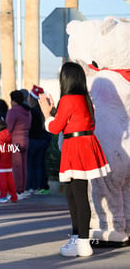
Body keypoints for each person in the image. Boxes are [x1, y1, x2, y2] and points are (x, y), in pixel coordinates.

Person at [38, 62, 111, 257]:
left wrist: (46, 113)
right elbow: (69, 121)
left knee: (77, 196)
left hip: (76, 148)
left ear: (66, 79)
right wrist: (54, 111)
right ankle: (77, 237)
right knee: (73, 194)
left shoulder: (69, 99)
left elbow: (54, 128)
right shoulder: (83, 99)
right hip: (83, 145)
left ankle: (83, 242)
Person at [26, 85, 52, 195]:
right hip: (44, 140)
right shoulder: (45, 110)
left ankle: (32, 187)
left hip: (33, 141)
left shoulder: (31, 112)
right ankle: (42, 186)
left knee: (31, 165)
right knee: (40, 164)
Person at [6, 90, 31, 200]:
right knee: (24, 167)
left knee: (16, 167)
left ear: (13, 100)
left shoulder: (13, 111)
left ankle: (17, 190)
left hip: (15, 141)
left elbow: (9, 128)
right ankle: (23, 189)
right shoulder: (27, 111)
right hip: (26, 139)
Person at [0, 120, 17, 203]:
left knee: (2, 182)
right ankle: (14, 197)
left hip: (1, 164)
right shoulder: (12, 135)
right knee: (10, 182)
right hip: (9, 162)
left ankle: (3, 197)